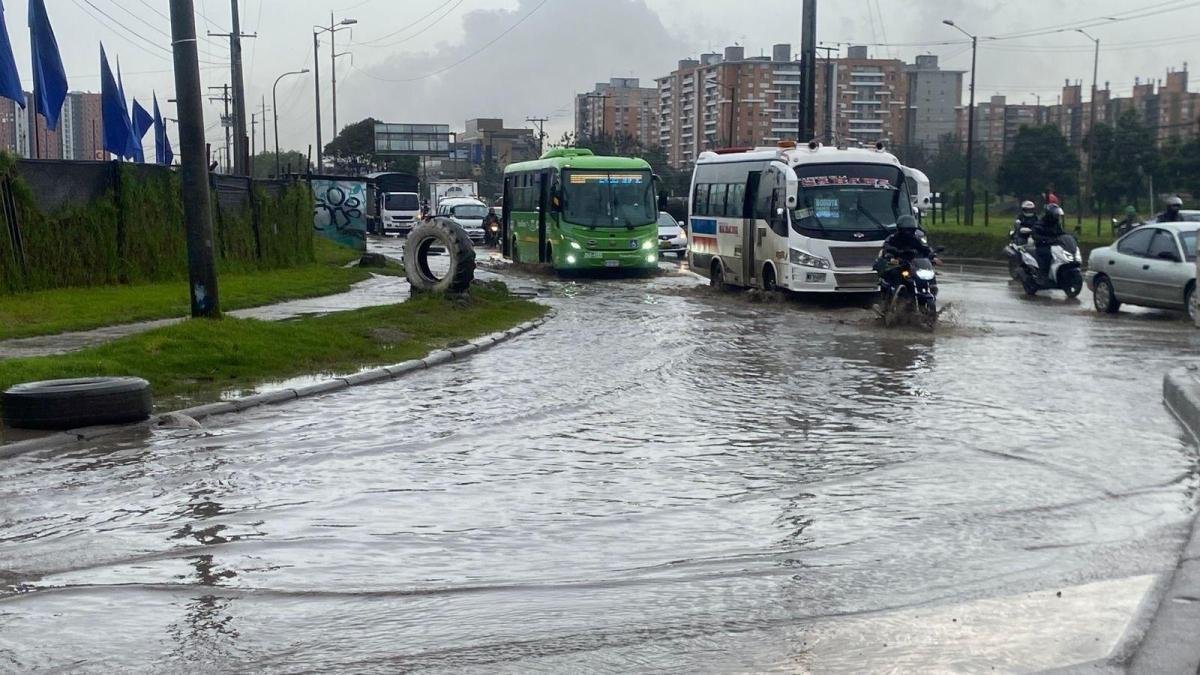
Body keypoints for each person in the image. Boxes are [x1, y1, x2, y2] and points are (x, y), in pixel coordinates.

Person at [876, 215, 939, 290]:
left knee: (927, 271)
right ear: (900, 229)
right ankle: (896, 290)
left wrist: (933, 256)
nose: (908, 232)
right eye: (906, 230)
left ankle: (932, 286)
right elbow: (887, 247)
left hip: (913, 263)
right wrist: (893, 255)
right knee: (894, 273)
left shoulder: (916, 239)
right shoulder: (893, 238)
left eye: (910, 230)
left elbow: (924, 248)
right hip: (899, 263)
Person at [1031, 203, 1065, 276]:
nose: (1057, 217)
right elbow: (1035, 235)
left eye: (1057, 215)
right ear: (1050, 214)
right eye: (1056, 215)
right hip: (1043, 246)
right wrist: (1046, 240)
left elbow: (1061, 233)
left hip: (1055, 246)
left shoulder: (1056, 224)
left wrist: (1070, 237)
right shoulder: (1040, 224)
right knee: (1046, 256)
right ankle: (1043, 275)